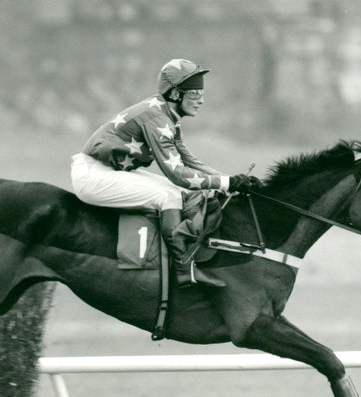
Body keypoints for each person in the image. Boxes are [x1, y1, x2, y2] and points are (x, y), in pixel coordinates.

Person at [71, 58, 261, 287]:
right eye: (193, 94)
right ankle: (183, 268)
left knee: (177, 194)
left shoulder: (167, 115)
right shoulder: (156, 117)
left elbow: (189, 161)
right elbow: (178, 174)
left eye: (201, 93)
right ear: (174, 94)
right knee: (168, 195)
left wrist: (231, 180)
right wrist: (225, 183)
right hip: (93, 175)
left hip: (107, 170)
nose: (201, 100)